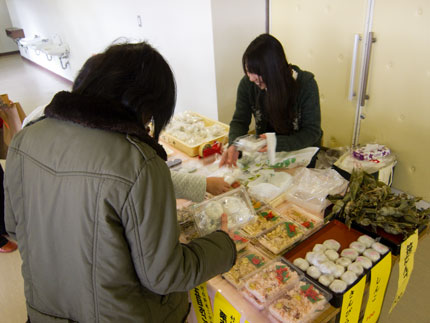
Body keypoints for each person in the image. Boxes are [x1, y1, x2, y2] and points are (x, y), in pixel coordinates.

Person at [4, 42, 236, 322]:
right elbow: (165, 274)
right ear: (144, 106)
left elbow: (14, 228)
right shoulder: (139, 161)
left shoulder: (26, 138)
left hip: (44, 311)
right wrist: (224, 245)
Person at [220, 33, 322, 167]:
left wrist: (276, 143)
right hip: (265, 153)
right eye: (248, 71)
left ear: (274, 70)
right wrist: (234, 144)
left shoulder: (305, 84)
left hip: (300, 154)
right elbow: (239, 121)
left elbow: (312, 132)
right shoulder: (248, 84)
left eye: (256, 72)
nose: (251, 78)